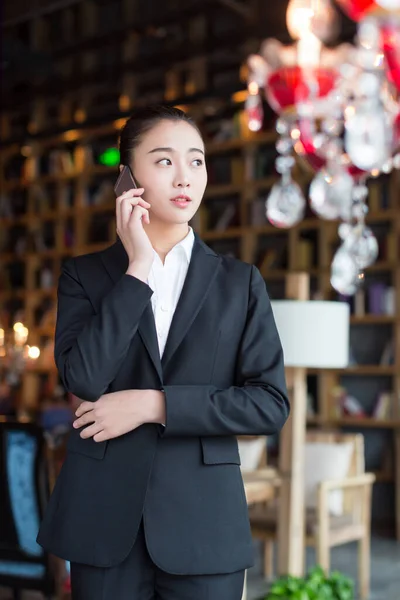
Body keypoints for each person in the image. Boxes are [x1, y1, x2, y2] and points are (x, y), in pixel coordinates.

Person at [37, 105, 290, 600]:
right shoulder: (84, 276)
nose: (185, 176)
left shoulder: (240, 283)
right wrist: (137, 271)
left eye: (195, 161)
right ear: (128, 178)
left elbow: (268, 403)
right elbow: (83, 378)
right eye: (164, 160)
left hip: (204, 527)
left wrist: (153, 405)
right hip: (104, 523)